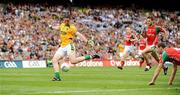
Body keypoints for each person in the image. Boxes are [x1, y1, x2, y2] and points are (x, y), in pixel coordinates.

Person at [51, 17, 100, 81]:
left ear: (69, 21)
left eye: (68, 20)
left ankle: (91, 56)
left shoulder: (72, 28)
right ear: (64, 21)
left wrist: (87, 41)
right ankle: (57, 77)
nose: (66, 21)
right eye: (65, 20)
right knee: (54, 60)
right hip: (62, 46)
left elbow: (79, 35)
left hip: (69, 45)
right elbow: (58, 27)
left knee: (73, 61)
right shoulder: (62, 25)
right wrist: (51, 27)